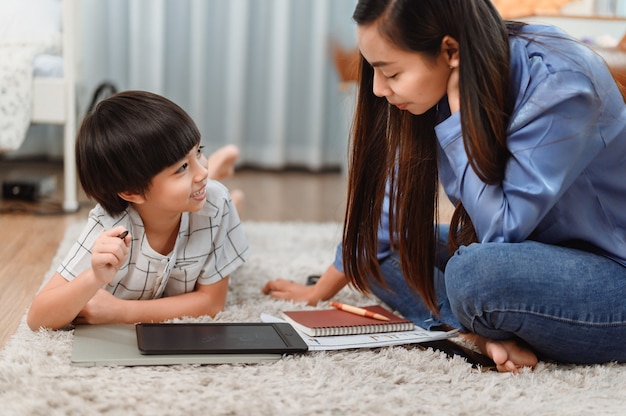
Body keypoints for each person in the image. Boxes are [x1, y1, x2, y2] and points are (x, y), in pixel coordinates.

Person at [274, 0, 626, 373]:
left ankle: (476, 320)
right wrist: (322, 290)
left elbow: (500, 234)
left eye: (391, 74)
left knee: (473, 274)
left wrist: (462, 124)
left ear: (450, 50)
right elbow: (390, 213)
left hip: (611, 273)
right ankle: (479, 332)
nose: (377, 89)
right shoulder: (442, 83)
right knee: (384, 246)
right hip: (536, 254)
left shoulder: (562, 83)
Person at [27, 90, 250, 331]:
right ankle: (222, 177)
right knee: (211, 194)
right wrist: (94, 278)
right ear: (132, 192)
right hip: (190, 201)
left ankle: (223, 181)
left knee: (217, 197)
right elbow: (37, 319)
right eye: (182, 167)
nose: (201, 172)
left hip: (203, 203)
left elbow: (212, 303)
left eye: (199, 151)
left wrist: (121, 312)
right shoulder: (111, 226)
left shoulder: (215, 203)